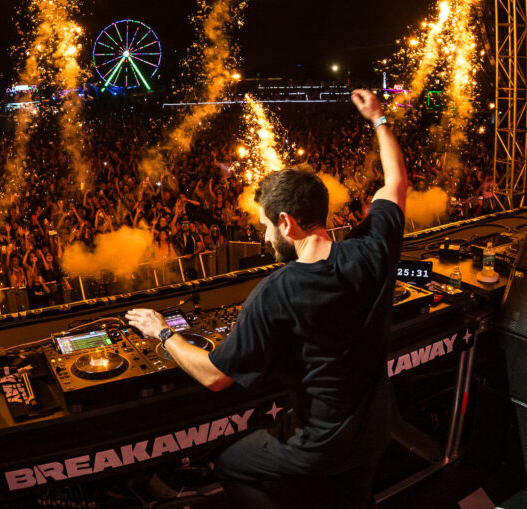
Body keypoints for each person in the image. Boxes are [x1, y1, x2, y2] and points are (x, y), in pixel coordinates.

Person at [126, 89, 407, 509]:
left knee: (233, 464)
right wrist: (378, 118)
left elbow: (213, 376)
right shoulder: (372, 250)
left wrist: (162, 332)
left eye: (265, 226)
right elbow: (397, 182)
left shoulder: (276, 292)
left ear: (286, 222)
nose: (263, 237)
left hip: (320, 444)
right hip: (375, 432)